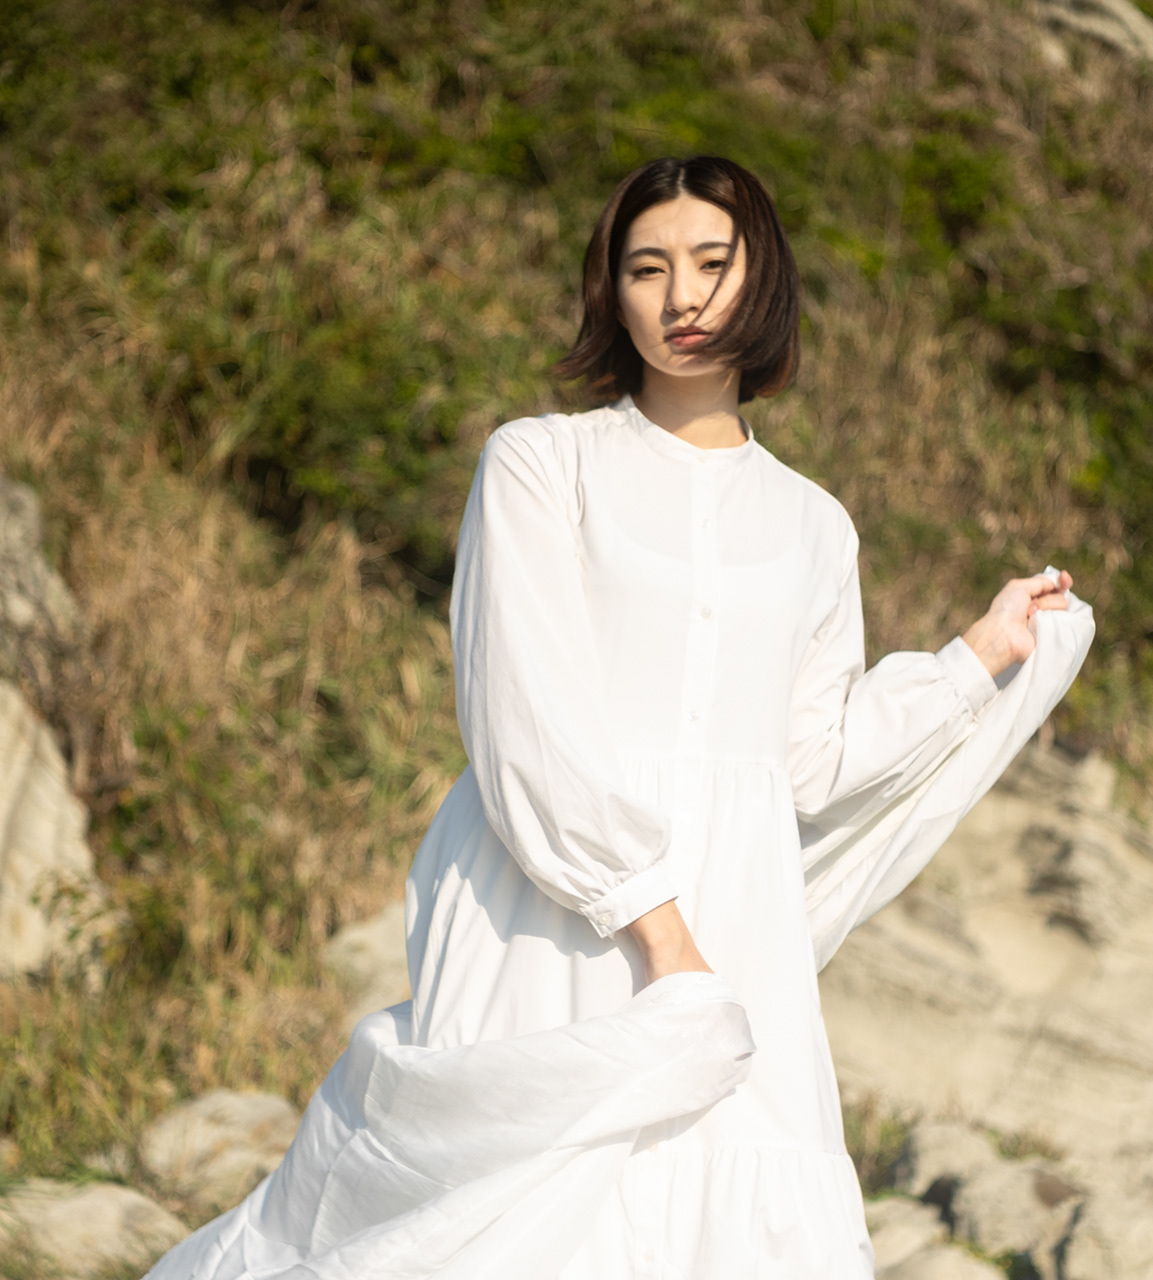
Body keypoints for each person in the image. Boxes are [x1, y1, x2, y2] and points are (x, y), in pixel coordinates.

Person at [145, 155, 1094, 1280]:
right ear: (613, 290)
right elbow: (525, 713)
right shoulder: (542, 462)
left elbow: (811, 758)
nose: (681, 296)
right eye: (647, 269)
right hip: (550, 907)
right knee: (514, 1227)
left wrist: (979, 654)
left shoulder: (816, 524)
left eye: (711, 263)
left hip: (735, 933)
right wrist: (662, 936)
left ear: (764, 277)